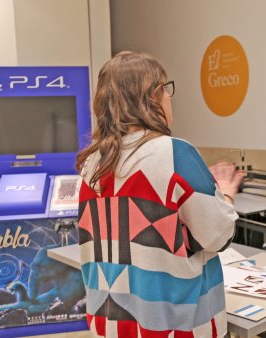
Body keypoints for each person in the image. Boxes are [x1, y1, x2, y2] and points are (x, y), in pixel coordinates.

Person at [75, 51, 242, 338]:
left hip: (111, 328)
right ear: (152, 97)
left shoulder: (92, 165)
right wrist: (225, 195)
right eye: (165, 89)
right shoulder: (175, 153)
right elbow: (218, 235)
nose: (168, 96)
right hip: (175, 328)